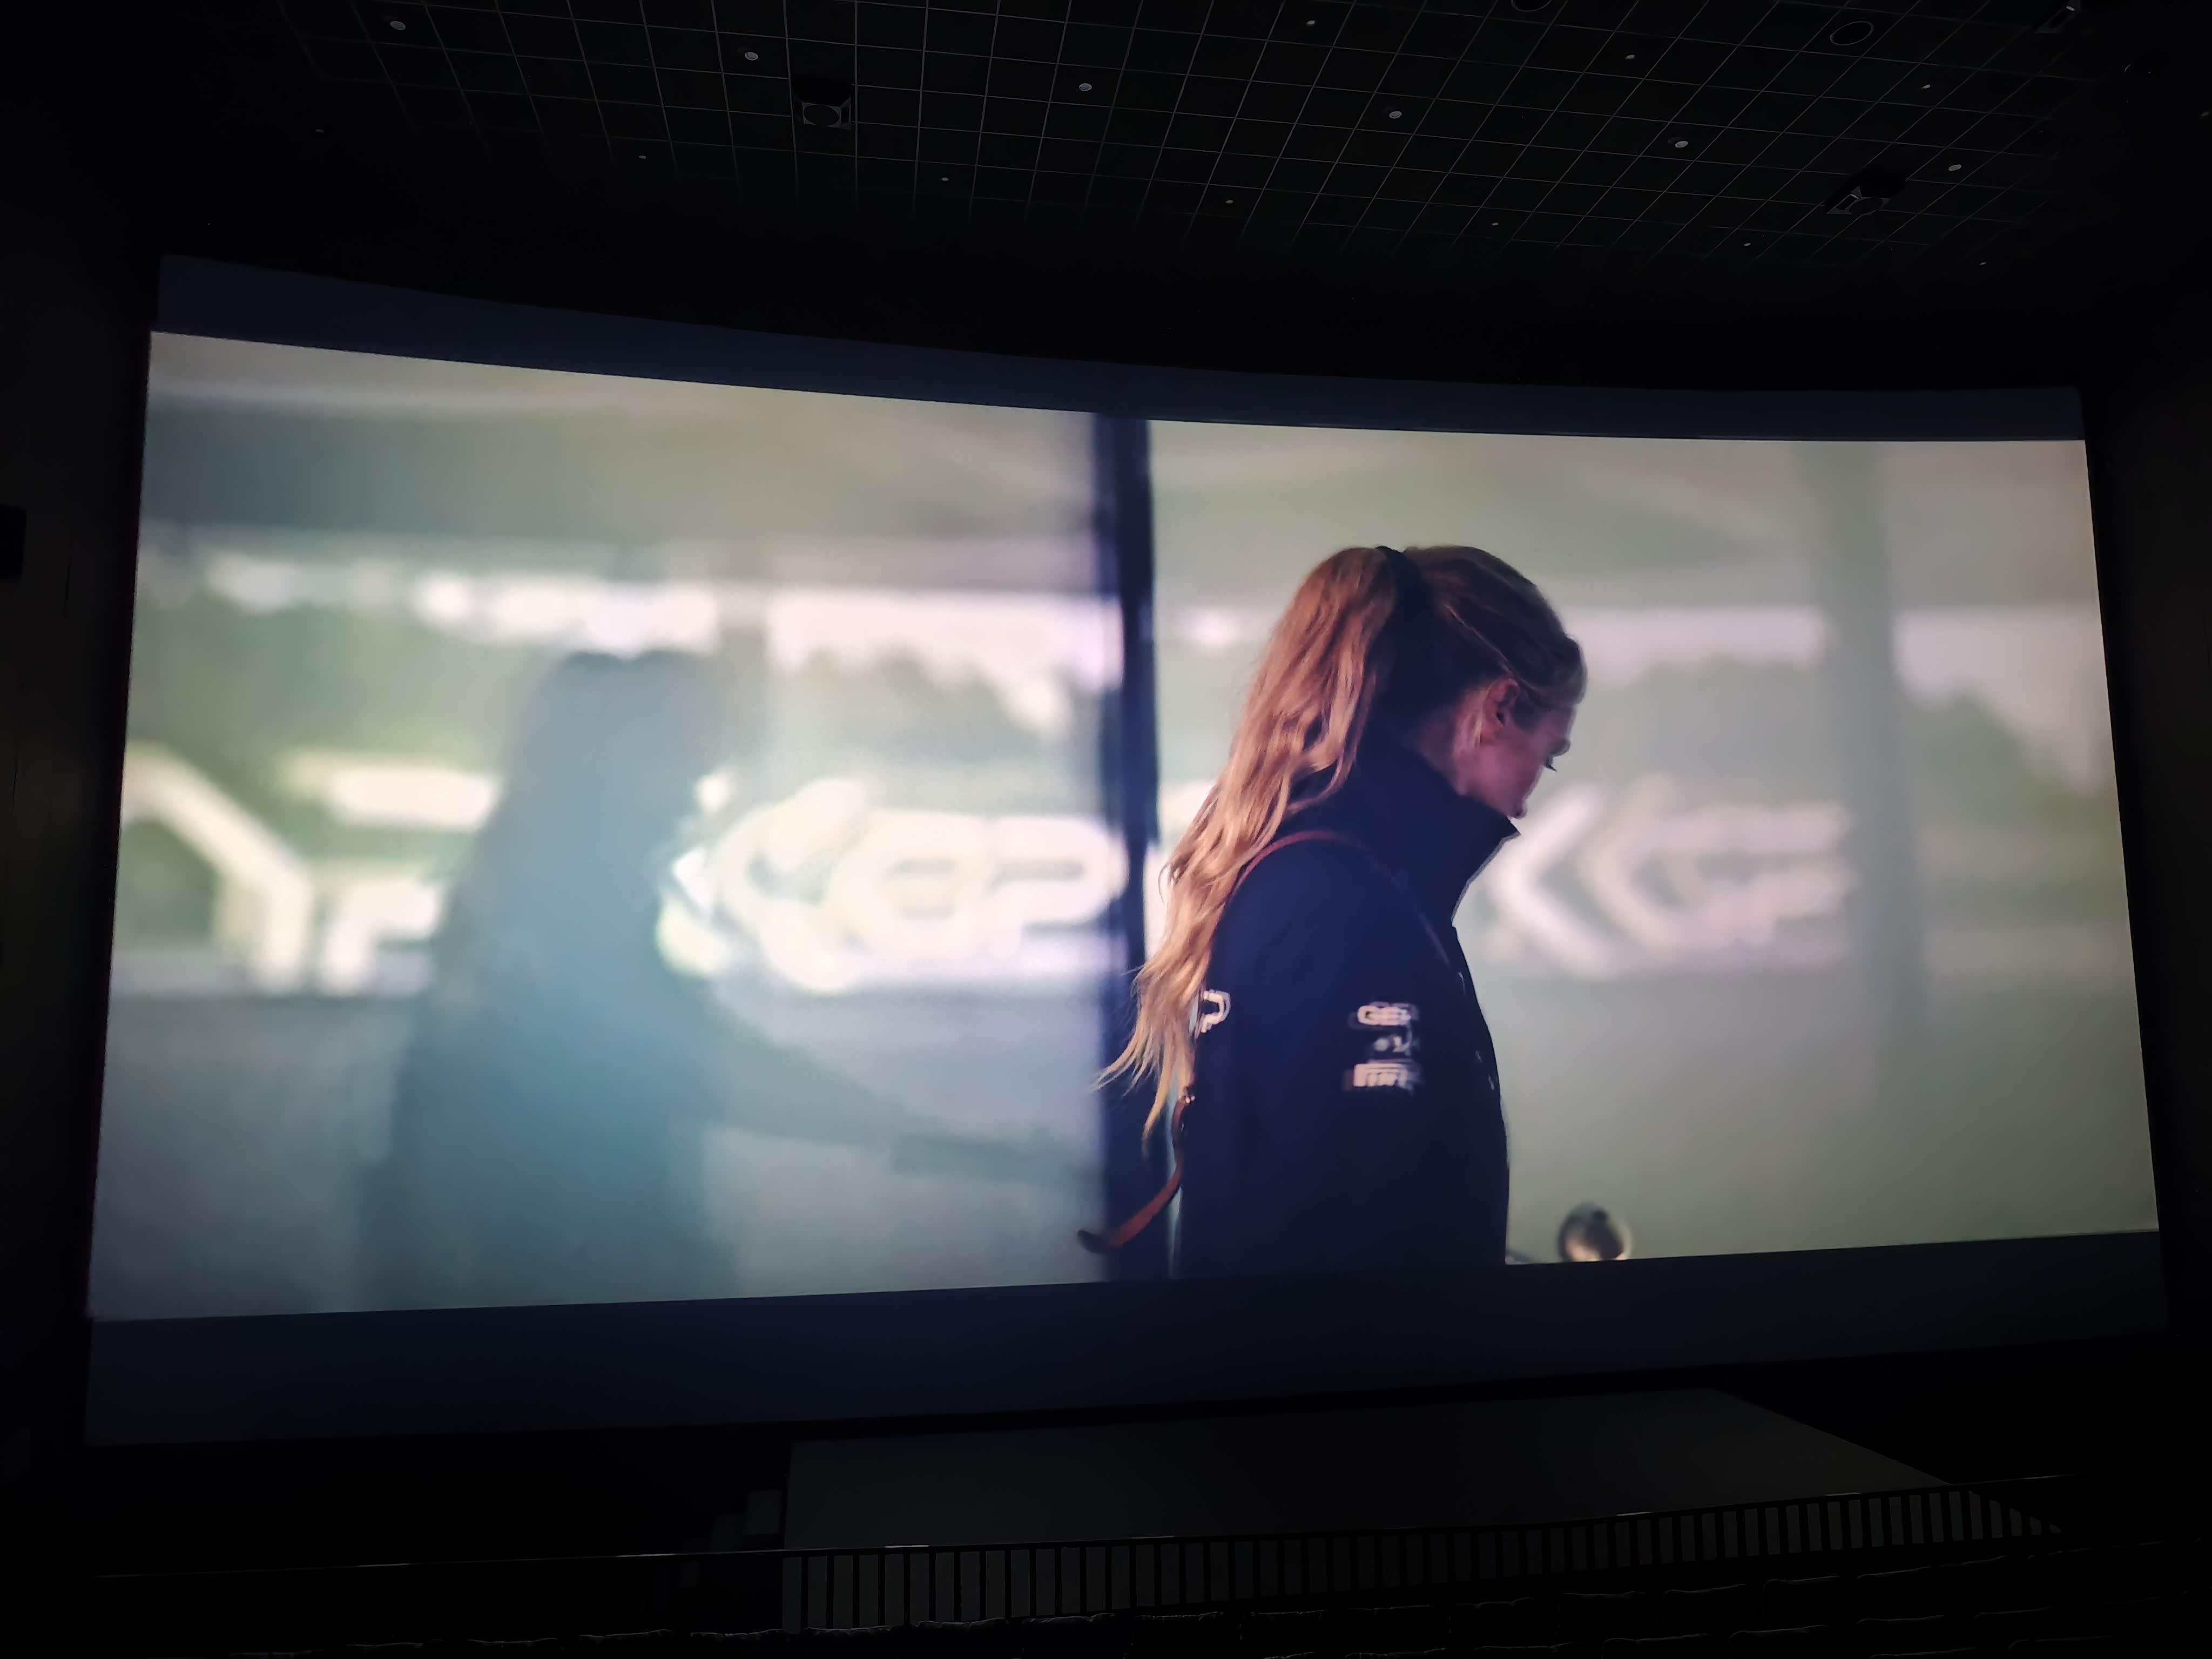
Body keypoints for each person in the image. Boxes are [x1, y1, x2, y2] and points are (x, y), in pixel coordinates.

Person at [1092, 545, 1584, 1278]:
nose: (1528, 800)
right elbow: (1349, 1249)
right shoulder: (1343, 907)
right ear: (1500, 708)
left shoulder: (1342, 884)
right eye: (1547, 759)